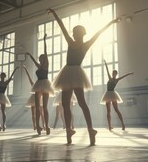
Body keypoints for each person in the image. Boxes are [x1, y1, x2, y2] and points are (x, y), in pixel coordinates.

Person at [48, 8, 120, 145]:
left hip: (74, 73)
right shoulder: (72, 41)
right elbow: (62, 26)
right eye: (73, 33)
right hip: (69, 72)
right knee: (65, 103)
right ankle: (69, 131)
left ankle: (90, 129)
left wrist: (111, 22)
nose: (73, 34)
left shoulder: (84, 44)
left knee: (81, 102)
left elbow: (98, 33)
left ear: (79, 34)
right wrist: (55, 13)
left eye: (75, 33)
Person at [26, 33, 55, 135]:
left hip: (45, 85)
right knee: (38, 107)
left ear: (45, 59)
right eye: (40, 58)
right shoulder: (39, 66)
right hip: (38, 85)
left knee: (45, 107)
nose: (41, 59)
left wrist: (44, 40)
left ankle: (46, 125)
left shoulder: (46, 64)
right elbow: (34, 61)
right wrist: (30, 56)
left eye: (42, 58)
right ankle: (38, 126)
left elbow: (46, 52)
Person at [101, 59, 133, 131]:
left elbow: (123, 76)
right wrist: (105, 63)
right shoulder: (110, 78)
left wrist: (129, 73)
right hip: (108, 94)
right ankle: (109, 126)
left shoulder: (116, 79)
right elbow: (107, 71)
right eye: (113, 73)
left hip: (112, 94)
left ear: (116, 74)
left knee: (116, 110)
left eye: (115, 74)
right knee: (108, 111)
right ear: (112, 74)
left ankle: (123, 124)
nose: (113, 74)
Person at [0, 63, 19, 131]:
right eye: (1, 75)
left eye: (3, 75)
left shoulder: (6, 82)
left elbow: (11, 76)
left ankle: (4, 124)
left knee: (3, 111)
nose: (2, 76)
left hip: (3, 96)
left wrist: (15, 69)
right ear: (0, 76)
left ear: (4, 76)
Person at [23, 65, 44, 131]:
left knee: (41, 113)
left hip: (39, 98)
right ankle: (34, 126)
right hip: (33, 98)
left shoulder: (41, 84)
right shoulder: (34, 84)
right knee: (33, 114)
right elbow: (29, 78)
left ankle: (43, 125)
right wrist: (26, 69)